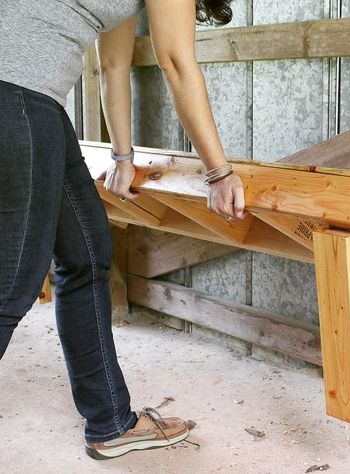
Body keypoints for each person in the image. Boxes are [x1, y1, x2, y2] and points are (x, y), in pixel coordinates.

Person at [0, 0, 245, 461]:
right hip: (18, 99)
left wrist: (123, 158)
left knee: (85, 252)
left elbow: (114, 63)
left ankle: (110, 421)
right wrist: (218, 171)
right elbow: (175, 61)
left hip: (36, 106)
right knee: (11, 287)